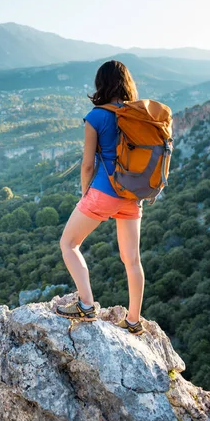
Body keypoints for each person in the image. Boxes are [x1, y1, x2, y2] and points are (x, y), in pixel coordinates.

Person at [56, 60, 146, 335]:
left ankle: (86, 303)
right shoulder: (137, 116)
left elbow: (87, 165)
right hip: (132, 195)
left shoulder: (96, 117)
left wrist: (86, 194)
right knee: (132, 259)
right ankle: (133, 321)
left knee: (69, 244)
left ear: (101, 84)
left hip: (103, 193)